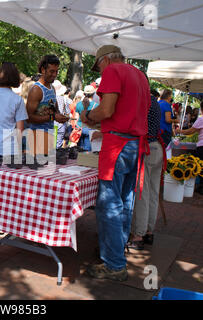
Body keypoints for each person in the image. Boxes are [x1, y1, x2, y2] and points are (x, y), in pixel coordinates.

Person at [81, 45, 151, 281]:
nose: (99, 70)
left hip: (118, 146)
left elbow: (108, 110)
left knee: (109, 205)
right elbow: (128, 111)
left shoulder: (113, 71)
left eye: (98, 65)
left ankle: (114, 263)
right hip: (135, 145)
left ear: (106, 59)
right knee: (125, 203)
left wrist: (89, 117)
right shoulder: (140, 75)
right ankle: (115, 253)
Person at [129, 91, 163, 250]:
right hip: (156, 147)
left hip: (147, 149)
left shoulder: (144, 101)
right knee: (153, 194)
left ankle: (139, 234)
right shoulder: (154, 101)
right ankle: (149, 231)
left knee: (142, 193)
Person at [26, 55, 69, 156]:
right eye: (52, 71)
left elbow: (54, 109)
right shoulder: (36, 90)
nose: (55, 74)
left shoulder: (52, 88)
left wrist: (60, 116)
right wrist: (53, 117)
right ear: (43, 70)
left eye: (56, 71)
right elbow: (28, 118)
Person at [176, 101, 203, 195]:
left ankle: (201, 187)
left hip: (202, 146)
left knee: (199, 166)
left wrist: (179, 131)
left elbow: (190, 131)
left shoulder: (202, 119)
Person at [75, 85, 99, 151]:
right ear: (94, 94)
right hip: (90, 130)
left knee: (79, 151)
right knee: (87, 153)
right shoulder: (96, 105)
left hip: (79, 129)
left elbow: (76, 118)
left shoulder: (78, 104)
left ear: (84, 94)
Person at [52, 80, 70, 149]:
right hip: (61, 124)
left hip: (51, 122)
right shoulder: (65, 99)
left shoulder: (49, 98)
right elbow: (67, 112)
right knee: (58, 144)